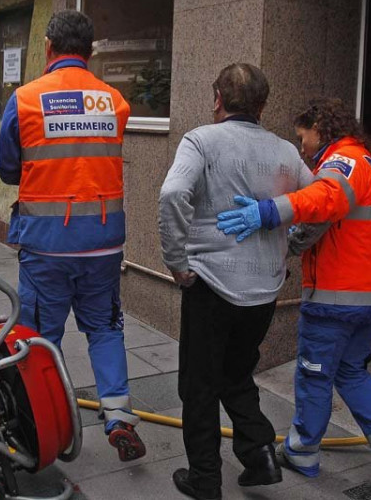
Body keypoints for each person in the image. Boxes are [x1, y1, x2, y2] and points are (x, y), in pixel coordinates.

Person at [216, 97, 371, 492]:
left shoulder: (343, 161)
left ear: (320, 128)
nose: (302, 147)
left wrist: (268, 211)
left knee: (313, 376)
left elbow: (322, 200)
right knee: (350, 371)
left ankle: (301, 453)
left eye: (303, 136)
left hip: (336, 299)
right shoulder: (369, 165)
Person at [158, 63, 315, 500]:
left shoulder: (201, 141)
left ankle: (205, 479)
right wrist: (294, 245)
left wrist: (176, 260)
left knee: (199, 384)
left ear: (217, 100)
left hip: (210, 285)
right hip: (264, 289)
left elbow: (173, 194)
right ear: (263, 106)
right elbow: (319, 202)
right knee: (236, 374)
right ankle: (261, 452)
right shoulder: (286, 151)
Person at [0, 10, 146, 462]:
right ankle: (119, 417)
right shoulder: (114, 101)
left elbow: (7, 167)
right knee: (104, 328)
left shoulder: (25, 99)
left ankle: (48, 423)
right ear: (91, 50)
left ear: (47, 47)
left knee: (40, 336)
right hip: (103, 243)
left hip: (46, 245)